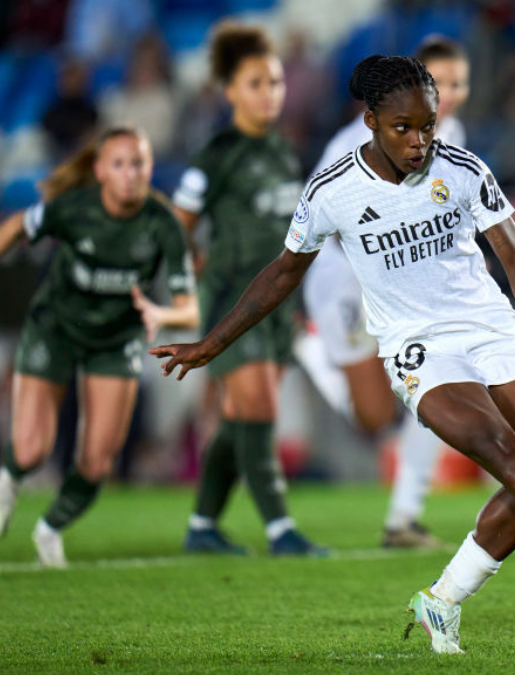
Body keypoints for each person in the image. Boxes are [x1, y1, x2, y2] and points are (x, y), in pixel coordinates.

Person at [151, 55, 515, 655]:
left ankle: (441, 601)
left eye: (428, 125)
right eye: (403, 128)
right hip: (419, 348)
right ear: (370, 120)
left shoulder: (464, 168)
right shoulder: (332, 191)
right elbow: (284, 272)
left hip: (493, 328)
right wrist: (211, 343)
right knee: (506, 455)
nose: (419, 141)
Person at [0, 125, 199, 567]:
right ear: (100, 170)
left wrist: (160, 314)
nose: (130, 174)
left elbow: (188, 310)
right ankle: (9, 478)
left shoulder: (163, 223)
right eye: (119, 164)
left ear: (150, 168)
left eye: (138, 163)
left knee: (98, 463)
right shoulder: (74, 209)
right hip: (55, 328)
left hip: (115, 341)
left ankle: (50, 527)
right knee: (32, 450)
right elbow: (16, 226)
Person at [295, 36, 470, 548]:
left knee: (434, 386)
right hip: (344, 278)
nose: (449, 93)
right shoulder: (357, 142)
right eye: (439, 82)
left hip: (404, 279)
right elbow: (321, 222)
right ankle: (315, 351)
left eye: (458, 83)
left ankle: (403, 518)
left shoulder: (452, 133)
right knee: (375, 416)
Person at [170, 22, 324, 557]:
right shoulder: (217, 155)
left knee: (241, 418)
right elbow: (177, 224)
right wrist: (188, 274)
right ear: (230, 90)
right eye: (256, 83)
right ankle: (281, 530)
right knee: (257, 409)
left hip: (278, 304)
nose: (269, 93)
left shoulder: (284, 152)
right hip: (232, 298)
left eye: (276, 82)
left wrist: (299, 302)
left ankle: (201, 526)